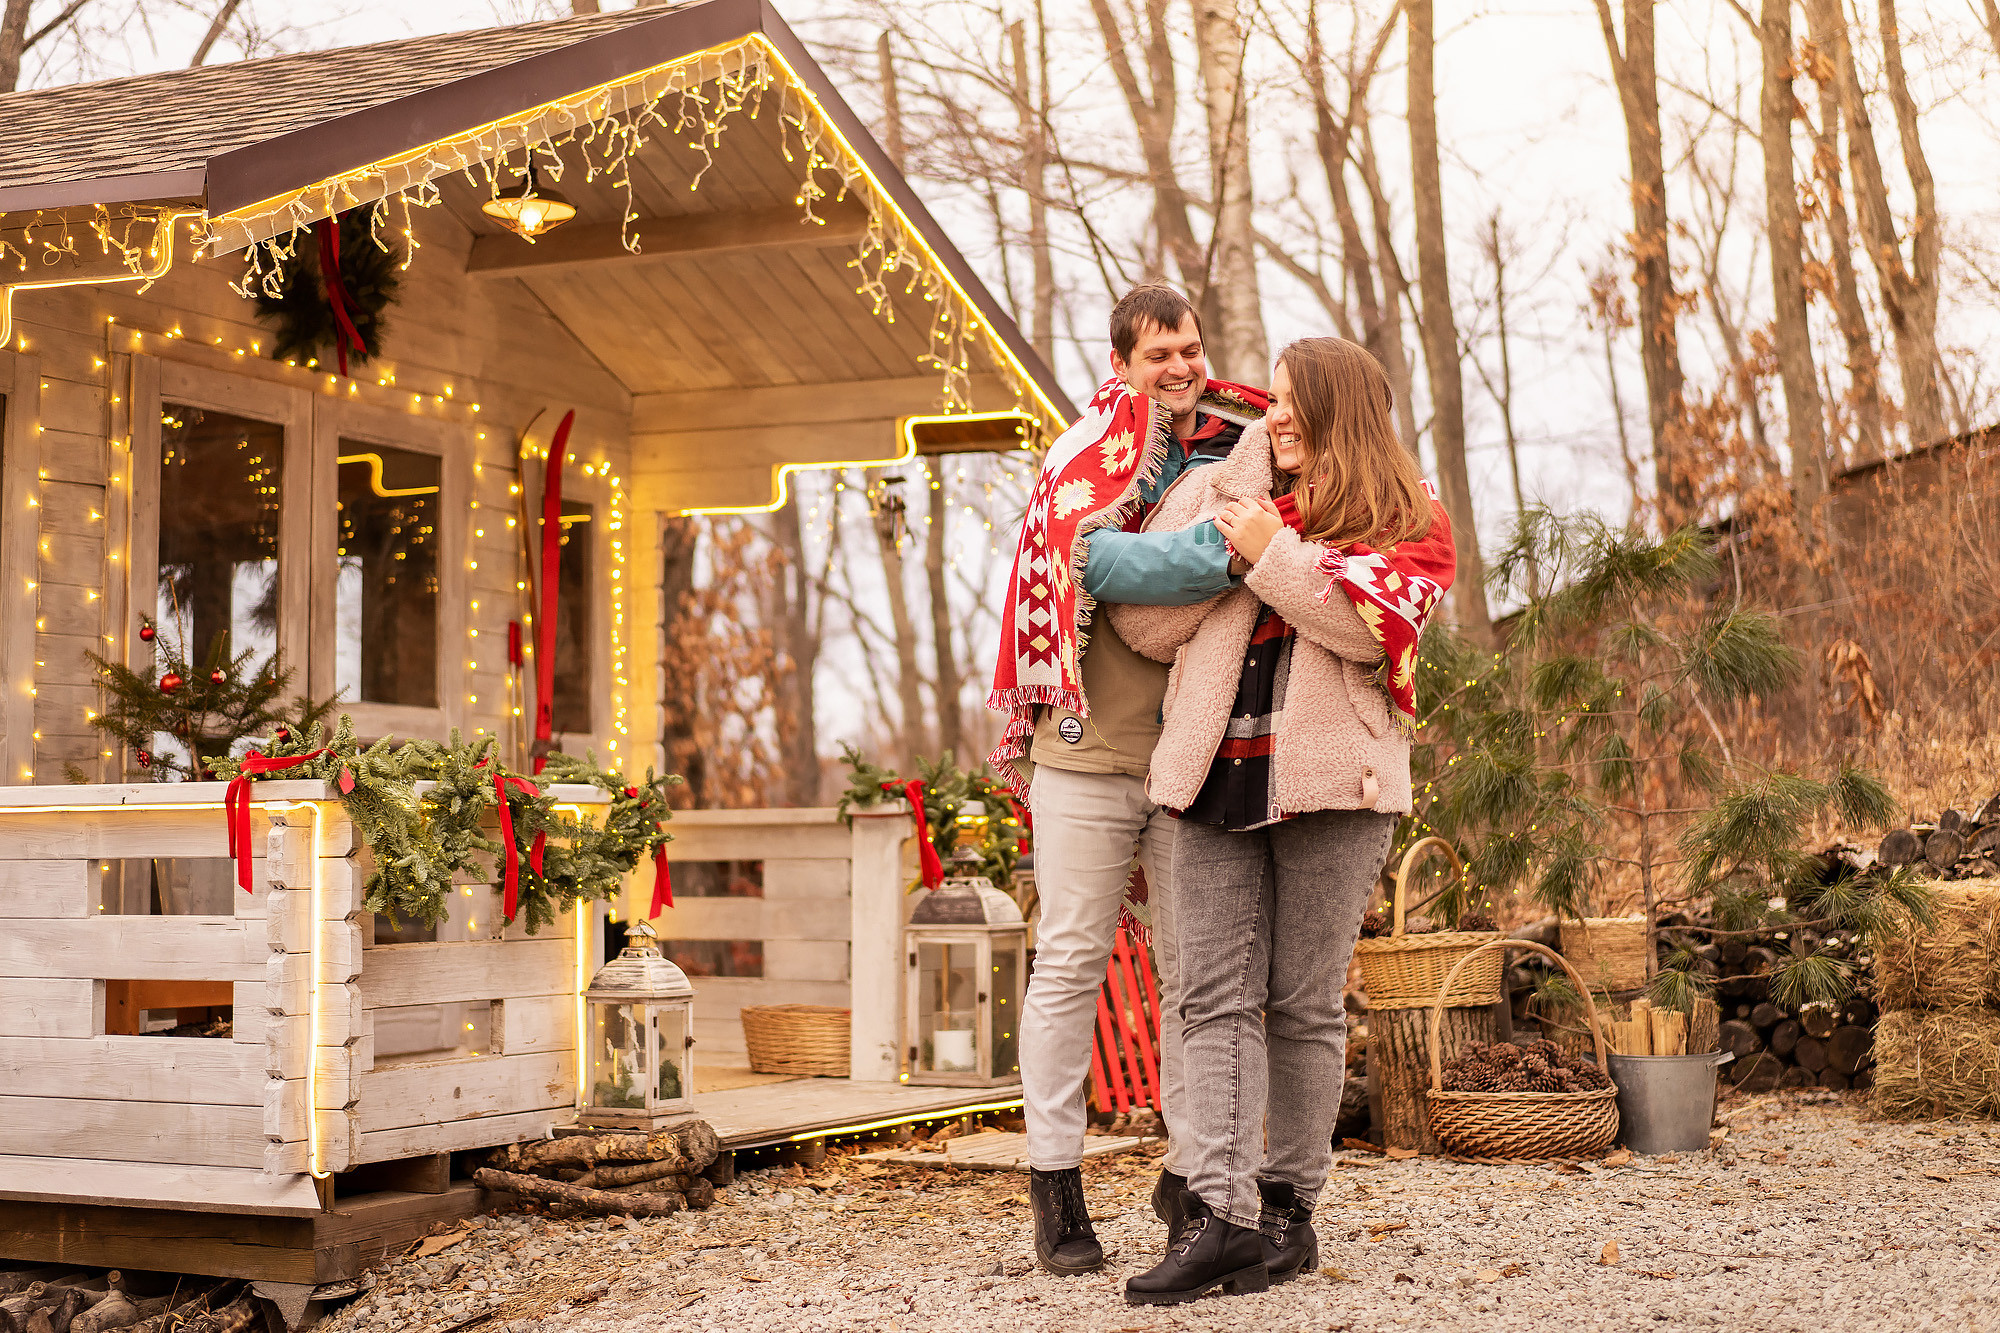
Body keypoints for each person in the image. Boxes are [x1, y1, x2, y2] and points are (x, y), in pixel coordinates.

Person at [1107, 337, 1456, 1305]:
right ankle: (1218, 1218)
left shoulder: (1406, 515)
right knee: (1209, 997)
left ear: (1344, 411)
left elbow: (1362, 629)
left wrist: (1269, 552)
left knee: (1301, 1002)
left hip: (1332, 783)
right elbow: (1143, 621)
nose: (1280, 415)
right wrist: (1231, 537)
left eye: (1300, 401)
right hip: (1209, 772)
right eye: (1275, 400)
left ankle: (1287, 1209)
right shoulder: (1224, 492)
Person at [987, 283, 1268, 1274]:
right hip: (1087, 751)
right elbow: (1099, 562)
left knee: (1195, 974)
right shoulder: (1081, 458)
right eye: (1159, 355)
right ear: (1120, 365)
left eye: (1190, 348)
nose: (1181, 368)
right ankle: (1055, 1185)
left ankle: (1194, 1178)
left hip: (1195, 757)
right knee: (1071, 960)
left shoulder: (1241, 446)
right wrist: (1230, 552)